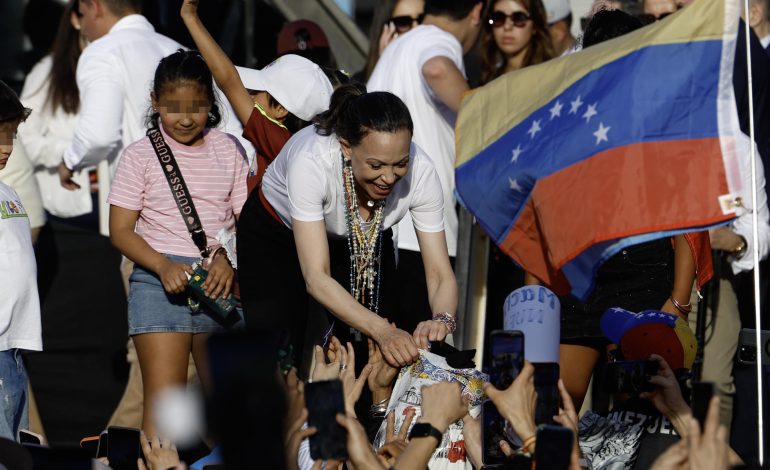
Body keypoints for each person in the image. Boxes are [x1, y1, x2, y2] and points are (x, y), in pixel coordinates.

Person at [236, 83, 458, 371]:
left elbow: (440, 274)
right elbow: (317, 277)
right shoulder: (311, 160)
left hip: (361, 235)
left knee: (364, 354)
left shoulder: (422, 172)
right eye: (376, 165)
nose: (389, 178)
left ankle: (359, 413)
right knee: (281, 355)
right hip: (276, 237)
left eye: (400, 164)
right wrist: (382, 330)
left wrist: (442, 319)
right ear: (346, 148)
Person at [108, 50, 248, 435]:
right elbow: (120, 229)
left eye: (197, 107)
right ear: (155, 101)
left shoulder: (230, 149)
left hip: (217, 282)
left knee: (228, 406)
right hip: (158, 284)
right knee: (164, 409)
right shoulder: (139, 156)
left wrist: (227, 260)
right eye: (173, 107)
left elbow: (244, 223)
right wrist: (162, 265)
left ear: (211, 103)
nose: (185, 118)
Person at [367, 0, 484, 335]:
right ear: (475, 12)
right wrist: (487, 120)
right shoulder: (439, 39)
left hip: (382, 232)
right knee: (421, 361)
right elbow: (437, 69)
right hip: (425, 237)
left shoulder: (398, 47)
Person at [180, 0, 334, 191]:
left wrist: (191, 17)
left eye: (257, 92)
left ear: (280, 109)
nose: (250, 97)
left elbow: (228, 80)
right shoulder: (306, 145)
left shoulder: (281, 143)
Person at [0, 80, 40, 441]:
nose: (6, 147)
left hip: (12, 346)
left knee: (14, 446)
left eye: (10, 135)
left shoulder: (8, 193)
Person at [479, 0, 555, 85]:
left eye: (519, 18)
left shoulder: (551, 75)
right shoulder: (488, 77)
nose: (507, 27)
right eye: (498, 17)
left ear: (535, 26)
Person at [357, 0, 425, 82]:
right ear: (384, 31)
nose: (416, 29)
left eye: (422, 19)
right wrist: (386, 63)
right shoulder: (358, 86)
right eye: (403, 22)